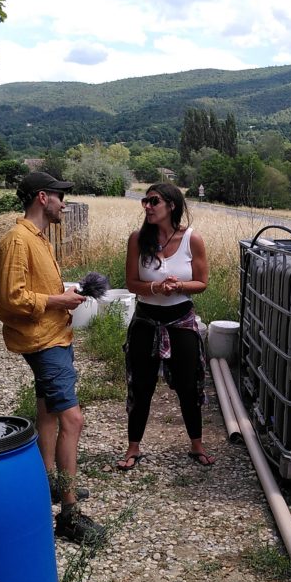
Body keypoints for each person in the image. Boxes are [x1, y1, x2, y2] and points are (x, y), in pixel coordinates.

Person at [0, 171, 104, 545]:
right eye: (59, 196)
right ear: (43, 197)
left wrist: (63, 294)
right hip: (43, 342)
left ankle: (48, 487)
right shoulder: (17, 240)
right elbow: (11, 300)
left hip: (55, 334)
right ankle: (69, 515)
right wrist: (57, 300)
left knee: (48, 413)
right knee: (73, 420)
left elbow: (34, 291)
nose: (63, 203)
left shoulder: (38, 238)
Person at [117, 182, 215, 470]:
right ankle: (133, 448)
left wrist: (180, 286)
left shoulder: (192, 240)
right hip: (146, 321)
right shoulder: (137, 238)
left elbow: (202, 282)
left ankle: (196, 444)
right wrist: (155, 288)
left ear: (171, 205)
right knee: (141, 385)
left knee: (189, 384)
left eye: (153, 201)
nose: (147, 206)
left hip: (181, 322)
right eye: (145, 202)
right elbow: (132, 283)